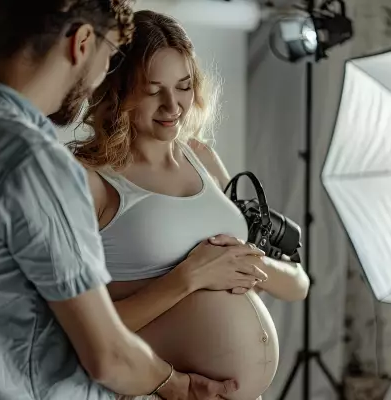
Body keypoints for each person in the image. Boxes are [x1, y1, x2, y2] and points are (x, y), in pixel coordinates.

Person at [0, 1, 238, 400]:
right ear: (82, 42)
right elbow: (108, 356)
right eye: (110, 54)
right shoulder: (35, 160)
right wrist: (181, 386)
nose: (100, 81)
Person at [70, 10, 311, 400]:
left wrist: (247, 263)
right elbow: (82, 329)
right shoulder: (89, 179)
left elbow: (296, 285)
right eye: (153, 90)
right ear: (116, 89)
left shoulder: (202, 157)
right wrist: (188, 277)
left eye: (183, 86)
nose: (173, 106)